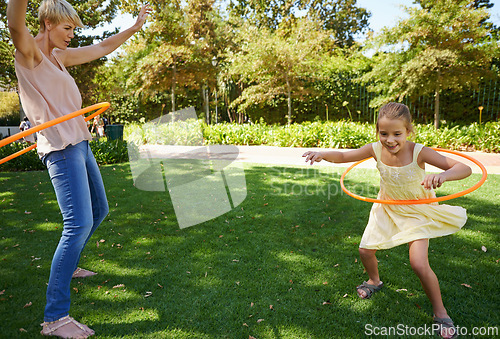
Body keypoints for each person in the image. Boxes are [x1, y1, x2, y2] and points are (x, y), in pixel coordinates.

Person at [7, 0, 151, 337]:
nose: (72, 35)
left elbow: (102, 47)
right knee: (78, 224)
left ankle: (68, 266)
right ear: (47, 23)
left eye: (74, 29)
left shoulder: (59, 57)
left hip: (80, 144)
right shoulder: (30, 54)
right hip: (60, 148)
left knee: (99, 210)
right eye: (67, 28)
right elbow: (15, 25)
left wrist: (133, 28)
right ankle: (55, 318)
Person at [302, 102, 471, 339]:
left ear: (408, 131)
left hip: (417, 211)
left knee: (419, 264)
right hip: (387, 207)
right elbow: (343, 155)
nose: (390, 140)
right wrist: (322, 153)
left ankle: (440, 312)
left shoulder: (418, 151)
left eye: (397, 134)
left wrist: (443, 175)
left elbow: (464, 168)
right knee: (364, 250)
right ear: (377, 132)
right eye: (384, 134)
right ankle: (374, 280)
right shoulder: (375, 149)